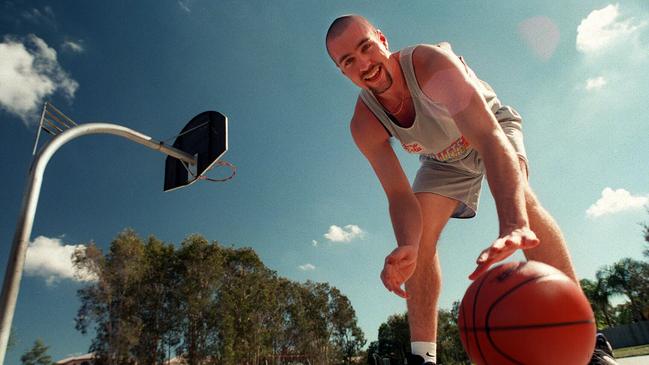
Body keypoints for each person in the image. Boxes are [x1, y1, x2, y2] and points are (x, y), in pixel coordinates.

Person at [325, 15, 617, 365]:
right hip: (443, 160)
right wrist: (407, 244)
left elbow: (489, 138)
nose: (364, 64)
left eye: (365, 47)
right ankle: (422, 358)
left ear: (382, 40)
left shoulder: (430, 64)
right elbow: (399, 196)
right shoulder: (364, 123)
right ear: (343, 73)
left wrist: (513, 222)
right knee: (419, 240)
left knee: (522, 199)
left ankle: (589, 342)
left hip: (489, 128)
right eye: (349, 62)